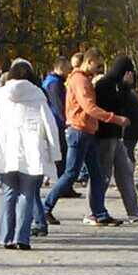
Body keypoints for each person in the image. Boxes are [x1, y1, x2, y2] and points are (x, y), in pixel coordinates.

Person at [0, 57, 59, 249]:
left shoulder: (0, 94)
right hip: (32, 151)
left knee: (8, 193)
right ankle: (22, 238)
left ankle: (5, 237)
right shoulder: (38, 95)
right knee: (27, 195)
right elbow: (50, 125)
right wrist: (54, 153)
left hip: (5, 149)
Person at [40, 49, 121, 226]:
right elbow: (89, 107)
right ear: (89, 61)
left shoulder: (82, 79)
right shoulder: (80, 80)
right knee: (71, 174)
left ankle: (100, 213)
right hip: (79, 131)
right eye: (98, 65)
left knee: (97, 175)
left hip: (86, 131)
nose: (99, 69)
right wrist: (115, 119)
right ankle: (44, 209)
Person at [95, 54, 138, 221]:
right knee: (103, 175)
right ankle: (95, 210)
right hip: (105, 136)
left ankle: (133, 210)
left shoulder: (118, 85)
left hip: (116, 136)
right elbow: (113, 106)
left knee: (125, 173)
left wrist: (125, 87)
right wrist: (125, 87)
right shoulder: (105, 84)